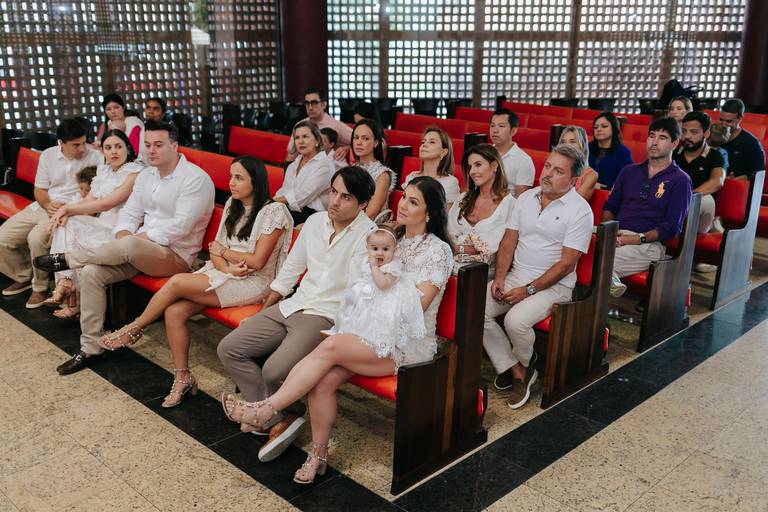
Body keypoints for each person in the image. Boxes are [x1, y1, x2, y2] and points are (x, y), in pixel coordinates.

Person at [220, 176, 453, 484]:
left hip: (404, 341)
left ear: (430, 213)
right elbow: (363, 283)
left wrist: (380, 287)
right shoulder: (393, 238)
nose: (403, 205)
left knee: (328, 347)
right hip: (370, 332)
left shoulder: (437, 251)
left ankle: (266, 410)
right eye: (404, 197)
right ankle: (317, 456)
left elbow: (417, 307)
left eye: (414, 202)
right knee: (322, 381)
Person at [101, 157, 293, 408]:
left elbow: (257, 262)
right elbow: (214, 248)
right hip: (224, 272)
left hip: (255, 282)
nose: (231, 183)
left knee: (177, 283)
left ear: (255, 181)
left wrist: (225, 254)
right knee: (174, 312)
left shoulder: (274, 211)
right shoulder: (233, 204)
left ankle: (134, 328)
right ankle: (183, 378)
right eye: (231, 176)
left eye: (239, 178)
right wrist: (226, 266)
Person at [217, 167, 376, 464]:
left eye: (346, 197)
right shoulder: (315, 222)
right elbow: (291, 270)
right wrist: (265, 309)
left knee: (273, 371)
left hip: (325, 315)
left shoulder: (369, 236)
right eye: (333, 192)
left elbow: (357, 293)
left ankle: (271, 414)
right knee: (229, 348)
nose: (335, 201)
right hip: (295, 304)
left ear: (363, 203)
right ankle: (281, 416)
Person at [34, 121, 215, 375]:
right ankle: (91, 348)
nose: (151, 150)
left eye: (159, 145)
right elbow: (129, 213)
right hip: (138, 250)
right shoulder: (147, 175)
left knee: (129, 244)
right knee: (91, 273)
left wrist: (135, 240)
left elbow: (180, 227)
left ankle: (70, 259)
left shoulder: (195, 179)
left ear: (175, 146)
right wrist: (124, 234)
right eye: (147, 145)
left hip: (175, 256)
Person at [483, 144, 593, 409]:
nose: (548, 174)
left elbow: (567, 264)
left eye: (558, 171)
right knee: (474, 308)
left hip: (555, 286)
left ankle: (524, 363)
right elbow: (509, 240)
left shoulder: (580, 211)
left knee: (515, 321)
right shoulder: (526, 198)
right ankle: (517, 369)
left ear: (574, 180)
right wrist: (500, 278)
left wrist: (528, 290)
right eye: (547, 166)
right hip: (516, 275)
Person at [0, 118, 103, 308]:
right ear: (61, 142)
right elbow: (40, 189)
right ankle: (23, 276)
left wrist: (67, 210)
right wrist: (47, 205)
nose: (82, 148)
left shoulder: (96, 157)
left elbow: (99, 193)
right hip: (43, 206)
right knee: (3, 237)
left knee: (36, 239)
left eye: (84, 142)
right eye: (76, 145)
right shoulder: (48, 155)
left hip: (71, 211)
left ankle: (40, 287)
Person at [44, 130, 144, 318]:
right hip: (100, 226)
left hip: (120, 232)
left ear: (128, 149)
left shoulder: (134, 172)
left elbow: (106, 204)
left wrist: (66, 209)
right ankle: (66, 283)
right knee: (65, 226)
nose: (113, 151)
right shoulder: (104, 171)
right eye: (108, 147)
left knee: (71, 233)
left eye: (118, 146)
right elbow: (87, 203)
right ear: (103, 151)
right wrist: (66, 214)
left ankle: (70, 295)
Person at [602, 117, 692, 298]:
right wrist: (610, 232)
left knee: (599, 261)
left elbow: (671, 227)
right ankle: (610, 281)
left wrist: (634, 238)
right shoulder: (629, 171)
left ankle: (606, 286)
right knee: (573, 248)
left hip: (648, 244)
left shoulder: (680, 180)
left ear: (675, 143)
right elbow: (610, 207)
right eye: (652, 136)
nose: (654, 142)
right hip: (617, 235)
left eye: (662, 137)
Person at [320, 225, 426, 355]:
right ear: (367, 248)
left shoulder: (393, 267)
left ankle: (373, 340)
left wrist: (374, 268)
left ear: (394, 249)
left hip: (384, 301)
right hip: (367, 298)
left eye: (385, 249)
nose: (379, 253)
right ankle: (345, 331)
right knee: (353, 308)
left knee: (375, 321)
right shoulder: (366, 261)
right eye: (375, 249)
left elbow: (383, 285)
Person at [447, 143, 515, 276]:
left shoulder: (510, 204)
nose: (472, 172)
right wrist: (468, 247)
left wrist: (458, 246)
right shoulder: (463, 198)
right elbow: (448, 234)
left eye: (478, 165)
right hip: (449, 264)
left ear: (494, 166)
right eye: (470, 167)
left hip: (482, 273)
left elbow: (489, 250)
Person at [273, 120, 334, 225]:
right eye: (297, 138)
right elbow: (284, 190)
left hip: (313, 215)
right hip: (290, 210)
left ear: (317, 140)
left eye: (305, 136)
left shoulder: (325, 164)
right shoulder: (293, 165)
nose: (300, 141)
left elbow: (303, 195)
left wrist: (273, 203)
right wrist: (271, 202)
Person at [673, 111, 724, 234]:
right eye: (684, 131)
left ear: (706, 133)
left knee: (706, 200)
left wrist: (688, 196)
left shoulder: (714, 156)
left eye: (694, 132)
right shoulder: (674, 154)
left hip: (699, 212)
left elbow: (717, 181)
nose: (687, 136)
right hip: (673, 207)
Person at [286, 87, 352, 162]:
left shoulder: (336, 125)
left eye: (314, 103)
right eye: (307, 103)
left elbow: (358, 139)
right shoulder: (300, 125)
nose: (310, 107)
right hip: (303, 165)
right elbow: (291, 153)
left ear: (323, 104)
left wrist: (346, 148)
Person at [350, 118, 396, 221]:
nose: (358, 142)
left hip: (370, 226)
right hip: (347, 221)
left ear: (376, 143)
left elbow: (370, 214)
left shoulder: (382, 174)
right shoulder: (352, 168)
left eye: (365, 139)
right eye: (356, 138)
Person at [403, 127, 460, 209]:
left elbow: (445, 215)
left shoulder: (450, 183)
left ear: (443, 152)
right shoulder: (411, 177)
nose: (424, 145)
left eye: (432, 142)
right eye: (423, 142)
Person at [489, 108, 535, 197]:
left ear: (513, 131)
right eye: (492, 125)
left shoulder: (524, 160)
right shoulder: (483, 153)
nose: (495, 130)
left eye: (501, 126)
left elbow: (521, 199)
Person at [719, 98, 766, 180]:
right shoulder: (713, 136)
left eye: (729, 121)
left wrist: (735, 180)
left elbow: (758, 172)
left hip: (738, 184)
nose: (723, 124)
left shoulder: (751, 143)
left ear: (740, 119)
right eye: (721, 120)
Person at [94, 93, 146, 161]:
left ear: (123, 107)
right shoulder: (106, 124)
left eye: (116, 107)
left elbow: (133, 151)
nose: (113, 111)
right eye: (108, 109)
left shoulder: (134, 124)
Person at [589, 112, 633, 190]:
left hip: (609, 194)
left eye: (604, 126)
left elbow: (627, 180)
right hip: (583, 191)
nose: (599, 129)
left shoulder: (623, 152)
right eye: (595, 127)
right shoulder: (586, 148)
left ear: (614, 128)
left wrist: (601, 188)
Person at [558, 126, 600, 200]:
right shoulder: (554, 167)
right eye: (563, 142)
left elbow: (574, 203)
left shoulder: (591, 175)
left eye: (572, 142)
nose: (567, 146)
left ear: (582, 146)